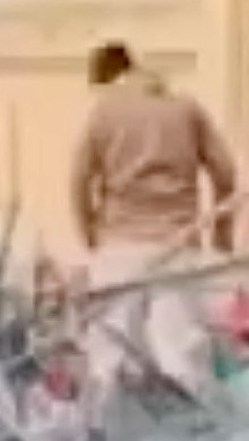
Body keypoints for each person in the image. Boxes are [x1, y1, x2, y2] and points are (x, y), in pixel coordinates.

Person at [68, 41, 238, 398]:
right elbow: (225, 173)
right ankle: (200, 434)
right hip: (178, 244)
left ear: (106, 78)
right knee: (182, 352)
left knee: (111, 358)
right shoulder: (186, 110)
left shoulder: (104, 113)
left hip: (119, 248)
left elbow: (79, 180)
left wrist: (89, 234)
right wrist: (222, 235)